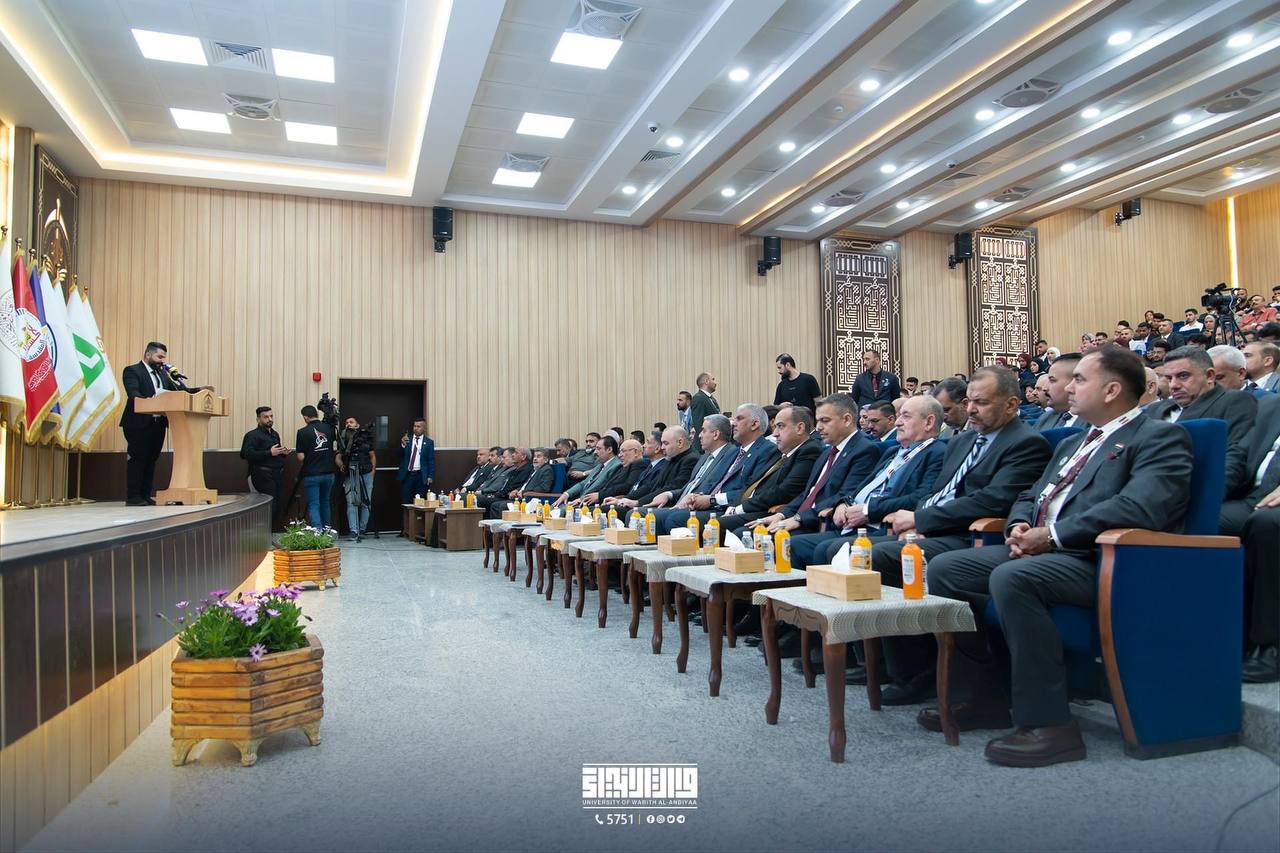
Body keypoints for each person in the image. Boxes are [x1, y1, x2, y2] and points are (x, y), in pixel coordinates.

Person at [921, 346, 1194, 767]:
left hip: (1105, 559)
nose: (1067, 387)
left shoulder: (1158, 436)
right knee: (946, 570)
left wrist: (1051, 535)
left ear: (1112, 390)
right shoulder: (1073, 441)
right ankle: (986, 697)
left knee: (1014, 578)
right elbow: (1031, 495)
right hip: (1048, 551)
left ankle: (1050, 725)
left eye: (1080, 379)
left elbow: (1141, 508)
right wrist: (1017, 526)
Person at [869, 366, 1052, 704]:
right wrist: (917, 521)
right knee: (864, 550)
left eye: (981, 402)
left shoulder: (1027, 443)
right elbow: (939, 492)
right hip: (938, 528)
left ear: (1012, 404)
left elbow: (991, 500)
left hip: (971, 534)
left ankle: (928, 675)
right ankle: (905, 669)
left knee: (884, 557)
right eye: (968, 401)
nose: (971, 409)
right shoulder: (963, 440)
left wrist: (922, 520)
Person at [787, 396, 948, 569]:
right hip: (851, 522)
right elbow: (861, 487)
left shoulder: (937, 453)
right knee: (795, 544)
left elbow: (921, 497)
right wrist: (843, 503)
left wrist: (868, 510)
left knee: (828, 548)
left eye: (906, 416)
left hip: (881, 525)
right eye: (898, 416)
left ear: (929, 422)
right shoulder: (892, 452)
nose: (898, 422)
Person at [754, 394, 883, 538]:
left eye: (825, 421)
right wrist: (782, 515)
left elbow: (845, 495)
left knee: (769, 538)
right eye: (818, 421)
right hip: (802, 518)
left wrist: (798, 518)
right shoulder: (827, 452)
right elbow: (808, 493)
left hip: (823, 523)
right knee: (754, 532)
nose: (819, 427)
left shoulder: (865, 450)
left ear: (847, 419)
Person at [1221, 394, 1280, 683]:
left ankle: (1269, 645)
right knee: (1195, 519)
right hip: (1252, 498)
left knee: (1267, 524)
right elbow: (1239, 457)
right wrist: (1207, 493)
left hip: (1270, 511)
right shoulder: (1269, 406)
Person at [654, 405, 780, 534]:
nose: (733, 423)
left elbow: (750, 491)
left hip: (730, 509)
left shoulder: (767, 450)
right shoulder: (735, 452)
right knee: (658, 517)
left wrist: (712, 499)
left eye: (739, 418)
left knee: (674, 519)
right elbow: (714, 482)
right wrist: (696, 497)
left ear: (754, 424)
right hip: (711, 505)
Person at [119, 341, 213, 505]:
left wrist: (199, 390)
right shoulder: (132, 371)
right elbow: (133, 394)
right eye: (159, 357)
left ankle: (145, 495)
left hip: (158, 423)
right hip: (138, 423)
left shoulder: (163, 374)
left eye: (164, 357)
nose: (162, 361)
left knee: (151, 459)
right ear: (148, 355)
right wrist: (153, 401)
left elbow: (180, 393)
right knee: (138, 459)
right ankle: (133, 497)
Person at [1148, 346, 1257, 449]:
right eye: (1169, 378)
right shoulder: (1155, 408)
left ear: (1209, 376)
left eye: (1183, 376)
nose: (1173, 385)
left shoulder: (1234, 402)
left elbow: (1234, 454)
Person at [239, 406, 289, 523]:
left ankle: (271, 531)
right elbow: (245, 454)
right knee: (268, 506)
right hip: (261, 475)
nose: (270, 419)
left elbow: (275, 454)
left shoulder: (275, 434)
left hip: (277, 474)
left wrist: (282, 453)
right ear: (258, 419)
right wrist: (269, 452)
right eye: (266, 417)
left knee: (277, 506)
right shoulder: (252, 435)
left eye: (271, 416)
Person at [295, 405, 337, 529]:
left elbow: (300, 456)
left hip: (311, 473)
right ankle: (327, 531)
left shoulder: (302, 432)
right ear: (317, 414)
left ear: (305, 417)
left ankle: (317, 532)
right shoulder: (329, 428)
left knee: (314, 504)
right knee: (325, 502)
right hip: (328, 472)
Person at [336, 416, 376, 539]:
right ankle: (353, 530)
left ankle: (362, 529)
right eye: (346, 422)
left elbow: (372, 455)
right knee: (351, 502)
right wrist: (341, 465)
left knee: (366, 502)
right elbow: (338, 457)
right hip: (351, 473)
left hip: (366, 472)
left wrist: (373, 471)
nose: (348, 424)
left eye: (351, 422)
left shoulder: (364, 438)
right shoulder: (343, 439)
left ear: (357, 425)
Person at [1033, 352, 1083, 430]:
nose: (1044, 388)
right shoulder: (1045, 418)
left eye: (1052, 380)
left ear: (1076, 382)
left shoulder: (1095, 424)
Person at [396, 419, 435, 506]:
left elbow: (431, 460)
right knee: (406, 502)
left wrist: (430, 476)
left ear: (424, 428)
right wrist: (402, 445)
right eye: (414, 426)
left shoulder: (429, 442)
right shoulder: (407, 440)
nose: (416, 428)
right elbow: (398, 455)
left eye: (418, 426)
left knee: (420, 503)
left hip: (421, 476)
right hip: (407, 475)